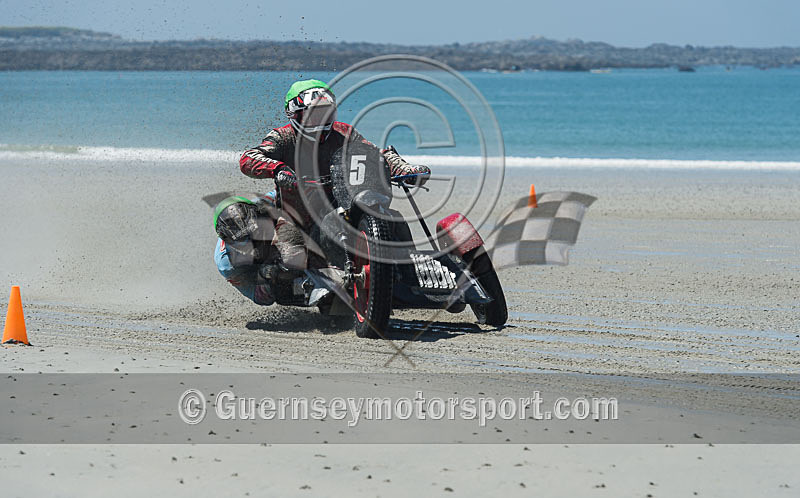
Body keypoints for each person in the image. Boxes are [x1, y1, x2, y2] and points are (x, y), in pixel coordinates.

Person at [214, 79, 430, 305]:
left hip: (345, 205)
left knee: (393, 219)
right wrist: (277, 169)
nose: (320, 120)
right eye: (312, 114)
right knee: (290, 259)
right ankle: (295, 287)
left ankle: (410, 277)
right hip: (296, 219)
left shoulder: (344, 133)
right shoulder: (282, 137)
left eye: (325, 113)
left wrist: (406, 169)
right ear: (295, 114)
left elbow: (376, 154)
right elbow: (249, 158)